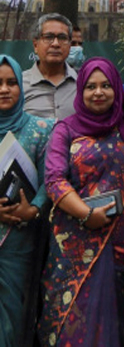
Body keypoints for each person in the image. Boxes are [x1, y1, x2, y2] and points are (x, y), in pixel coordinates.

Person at [38, 57, 124, 347]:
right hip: (72, 244)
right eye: (91, 87)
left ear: (117, 89)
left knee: (113, 323)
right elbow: (54, 180)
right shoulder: (66, 130)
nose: (98, 92)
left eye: (106, 86)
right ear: (81, 91)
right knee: (71, 324)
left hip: (118, 245)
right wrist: (86, 214)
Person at [0, 55, 55, 346]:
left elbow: (52, 180)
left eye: (12, 83)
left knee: (14, 323)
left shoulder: (41, 130)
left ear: (22, 87)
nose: (4, 89)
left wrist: (32, 209)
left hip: (20, 243)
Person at [23, 12, 77, 119]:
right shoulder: (19, 85)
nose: (55, 44)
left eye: (62, 38)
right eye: (48, 37)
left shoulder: (82, 85)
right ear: (35, 45)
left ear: (70, 46)